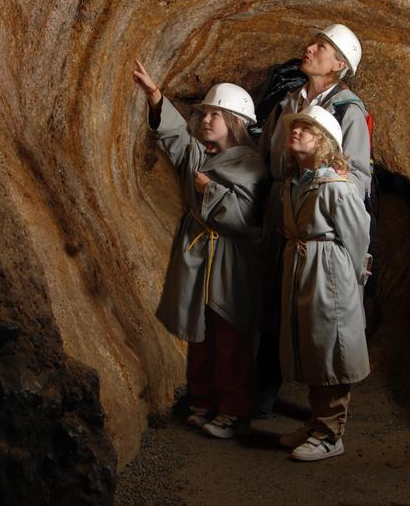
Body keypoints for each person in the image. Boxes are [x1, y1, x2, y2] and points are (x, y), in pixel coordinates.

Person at [133, 60, 267, 439]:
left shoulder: (253, 165)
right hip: (200, 254)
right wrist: (155, 97)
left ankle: (233, 409)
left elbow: (246, 217)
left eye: (216, 115)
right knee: (200, 332)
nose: (206, 120)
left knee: (230, 335)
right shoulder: (201, 154)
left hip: (230, 259)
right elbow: (176, 139)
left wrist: (210, 190)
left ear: (235, 121)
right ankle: (203, 399)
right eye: (205, 113)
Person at [256, 24, 371, 416]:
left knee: (320, 313)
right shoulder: (287, 103)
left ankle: (319, 414)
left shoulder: (348, 110)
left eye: (321, 47)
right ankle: (261, 393)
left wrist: (322, 189)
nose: (310, 48)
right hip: (280, 207)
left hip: (318, 215)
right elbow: (263, 157)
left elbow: (357, 177)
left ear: (339, 64)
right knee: (273, 297)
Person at [279, 105, 371, 461]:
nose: (296, 132)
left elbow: (357, 237)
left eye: (307, 129)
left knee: (332, 345)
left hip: (329, 269)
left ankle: (332, 434)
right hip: (304, 264)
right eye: (296, 127)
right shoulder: (296, 182)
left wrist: (351, 279)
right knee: (313, 344)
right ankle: (317, 422)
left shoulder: (338, 186)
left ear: (325, 142)